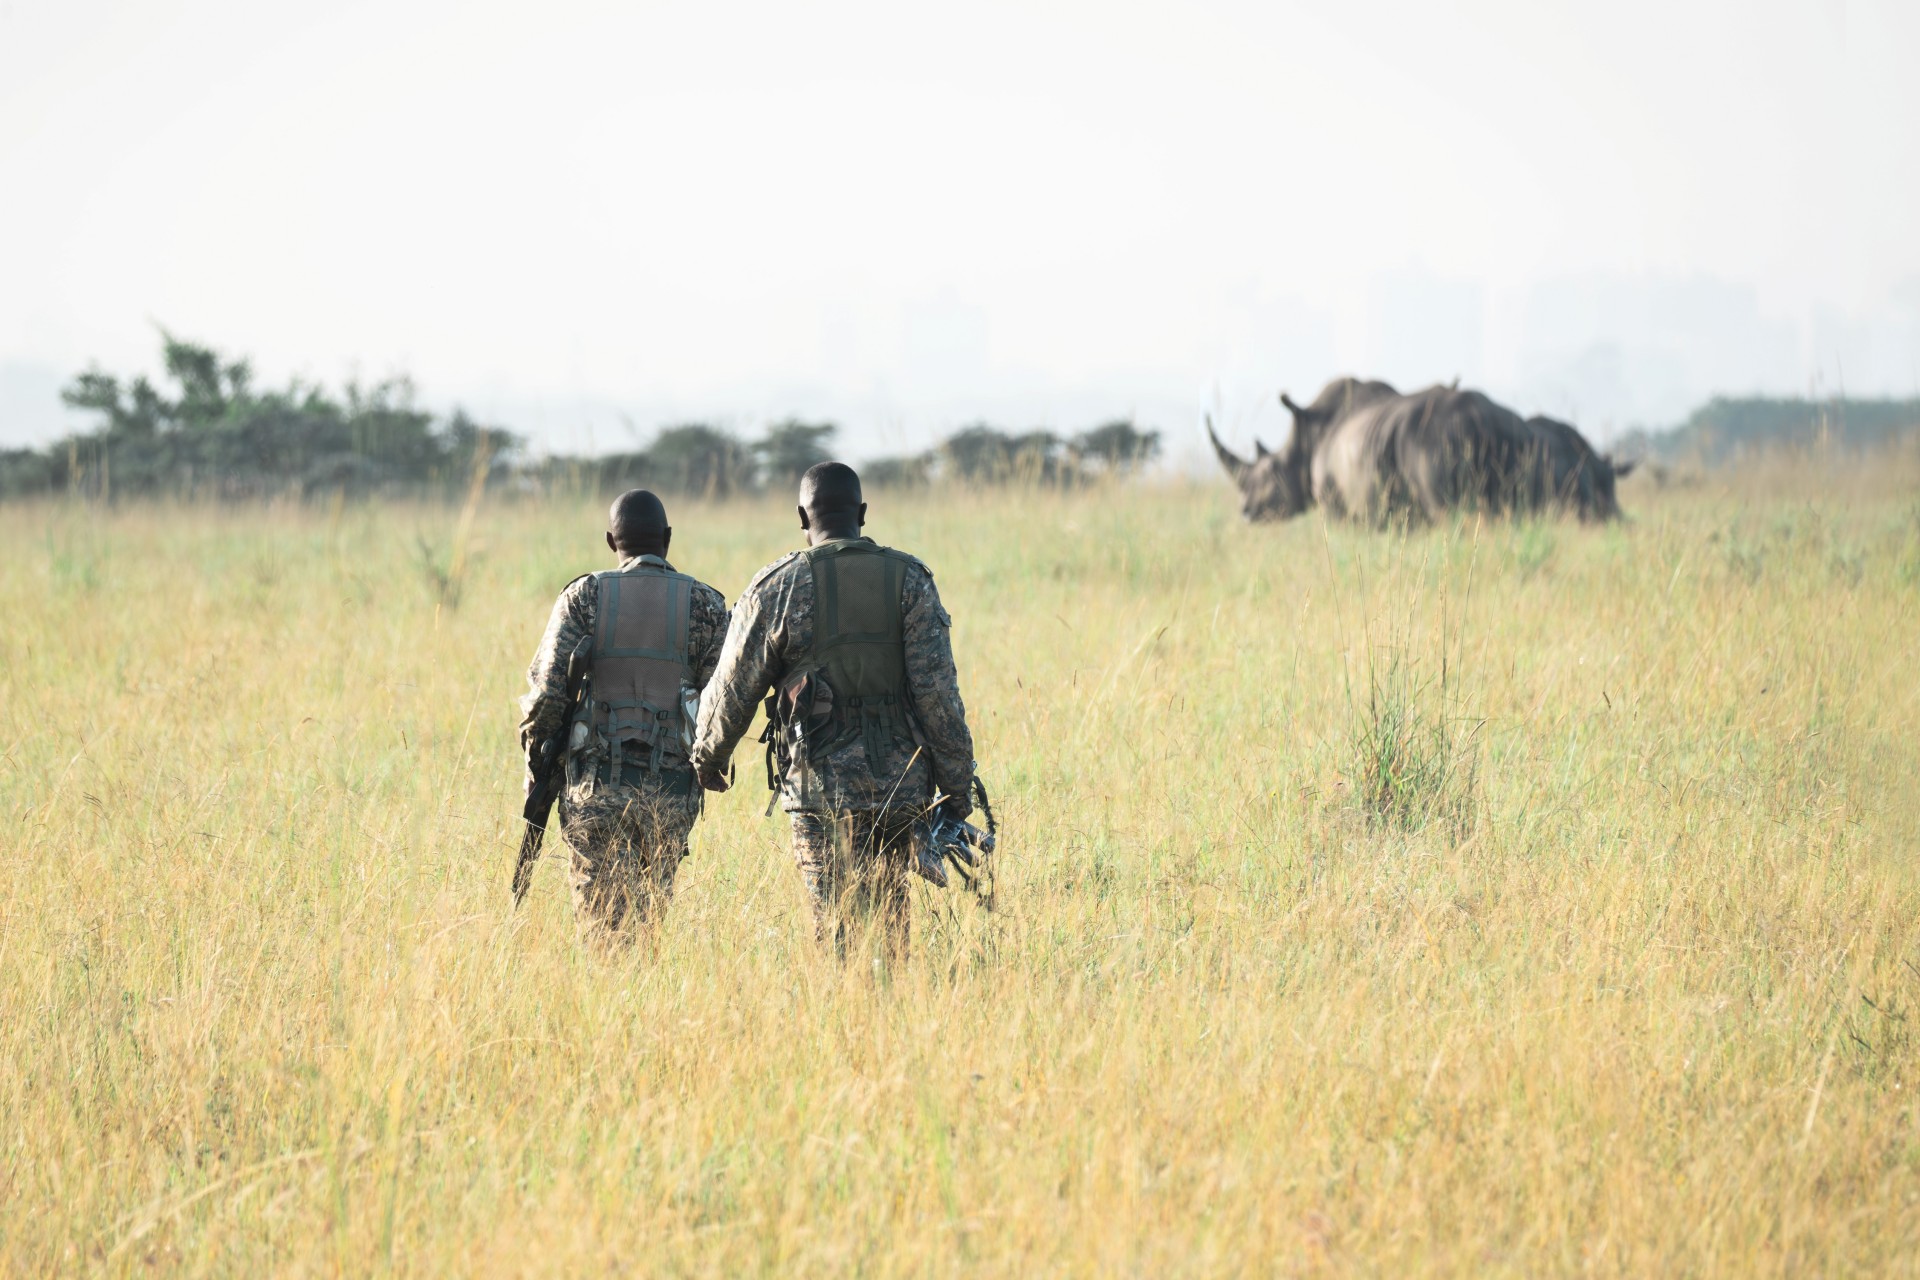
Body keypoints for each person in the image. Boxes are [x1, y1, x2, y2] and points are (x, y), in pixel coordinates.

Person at [690, 462, 976, 956]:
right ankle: (890, 998)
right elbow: (939, 696)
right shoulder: (909, 580)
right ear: (862, 513)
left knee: (836, 929)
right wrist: (956, 788)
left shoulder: (778, 586)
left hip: (819, 790)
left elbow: (732, 690)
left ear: (803, 517)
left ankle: (848, 1001)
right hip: (899, 790)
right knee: (890, 925)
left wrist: (708, 759)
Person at [517, 489, 729, 948]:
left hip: (596, 789)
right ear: (667, 538)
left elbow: (547, 697)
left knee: (603, 937)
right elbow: (722, 705)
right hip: (670, 796)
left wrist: (537, 760)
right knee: (647, 928)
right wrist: (709, 766)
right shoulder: (707, 605)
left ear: (611, 541)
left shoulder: (584, 597)